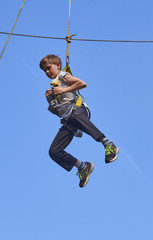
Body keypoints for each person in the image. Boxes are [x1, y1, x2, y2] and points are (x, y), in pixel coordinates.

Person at [39, 54, 119, 188]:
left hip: (79, 111)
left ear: (58, 65)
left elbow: (82, 83)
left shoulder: (63, 76)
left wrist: (62, 89)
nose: (47, 72)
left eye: (48, 68)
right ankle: (82, 167)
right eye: (44, 71)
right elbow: (59, 113)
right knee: (54, 151)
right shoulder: (53, 87)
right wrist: (51, 100)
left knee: (74, 116)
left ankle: (108, 144)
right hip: (69, 119)